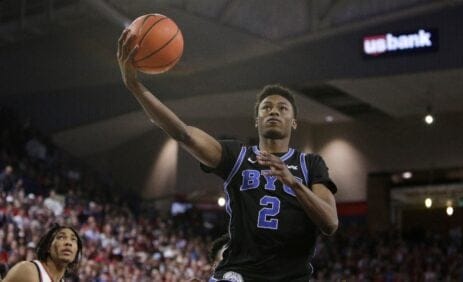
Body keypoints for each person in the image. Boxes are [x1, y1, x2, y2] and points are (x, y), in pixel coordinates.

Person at [117, 28, 339, 281]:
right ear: (257, 120)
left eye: (282, 108)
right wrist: (134, 86)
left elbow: (330, 223)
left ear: (294, 122)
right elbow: (183, 133)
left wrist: (293, 183)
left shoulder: (310, 164)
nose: (274, 112)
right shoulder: (238, 156)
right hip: (239, 273)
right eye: (266, 108)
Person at [2, 224, 83, 282]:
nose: (69, 243)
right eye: (61, 237)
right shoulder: (28, 270)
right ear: (48, 247)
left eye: (73, 239)